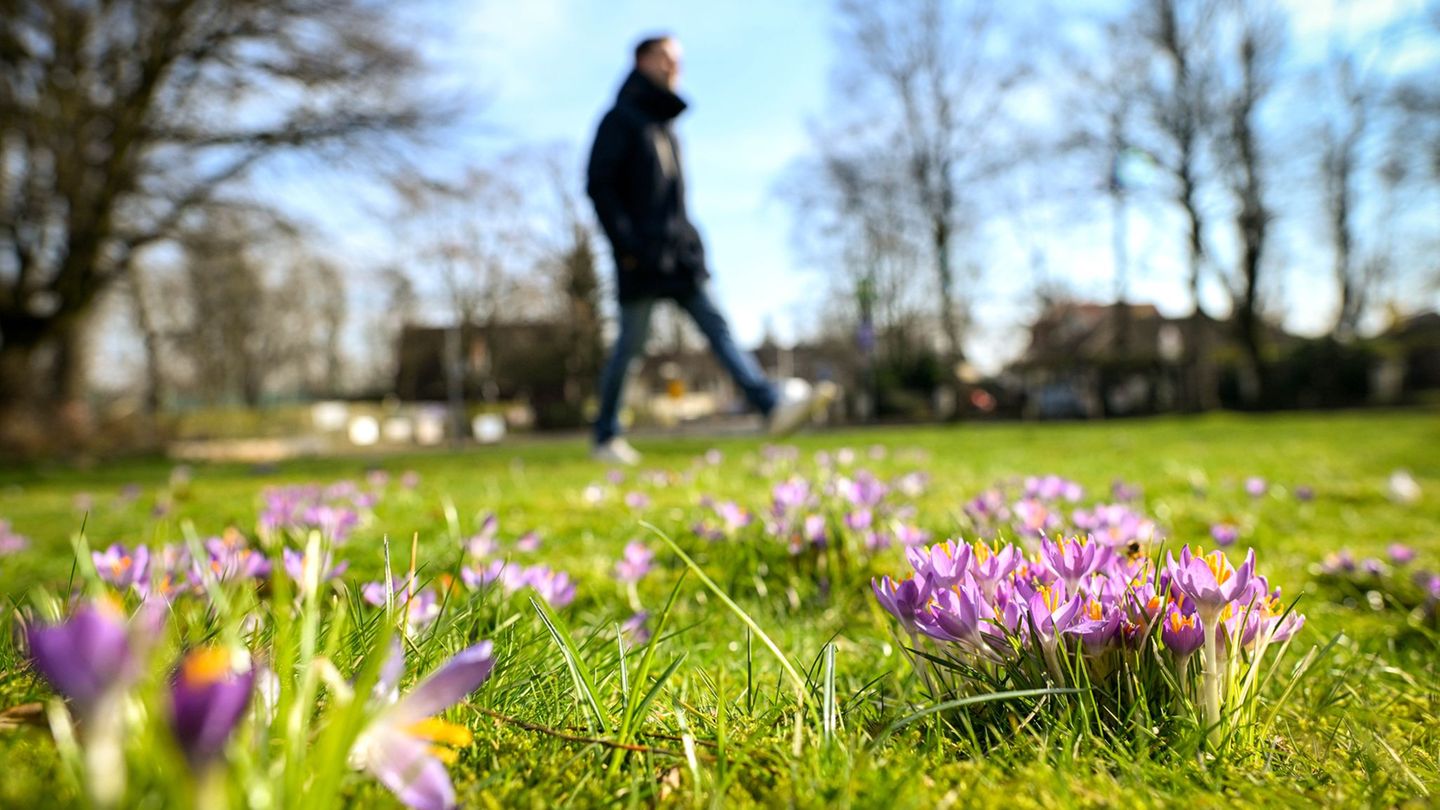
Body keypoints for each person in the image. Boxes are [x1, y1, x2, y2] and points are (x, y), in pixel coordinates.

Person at [586, 34, 831, 465]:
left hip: (679, 256)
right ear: (641, 60)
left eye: (677, 60)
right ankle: (606, 436)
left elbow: (674, 203)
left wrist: (690, 244)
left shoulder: (665, 126)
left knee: (717, 328)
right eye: (664, 57)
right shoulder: (621, 120)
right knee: (631, 346)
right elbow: (600, 187)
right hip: (641, 258)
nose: (673, 66)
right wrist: (628, 247)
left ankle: (771, 406)